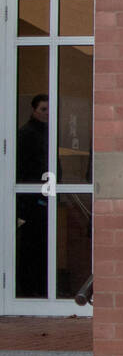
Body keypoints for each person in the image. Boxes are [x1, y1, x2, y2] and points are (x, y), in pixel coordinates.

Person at [16, 94, 54, 298]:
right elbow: (22, 168)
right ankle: (29, 289)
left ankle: (43, 288)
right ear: (34, 110)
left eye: (49, 109)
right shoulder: (27, 134)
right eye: (43, 109)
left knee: (43, 245)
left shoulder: (48, 132)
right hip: (32, 200)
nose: (47, 114)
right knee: (31, 246)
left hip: (45, 197)